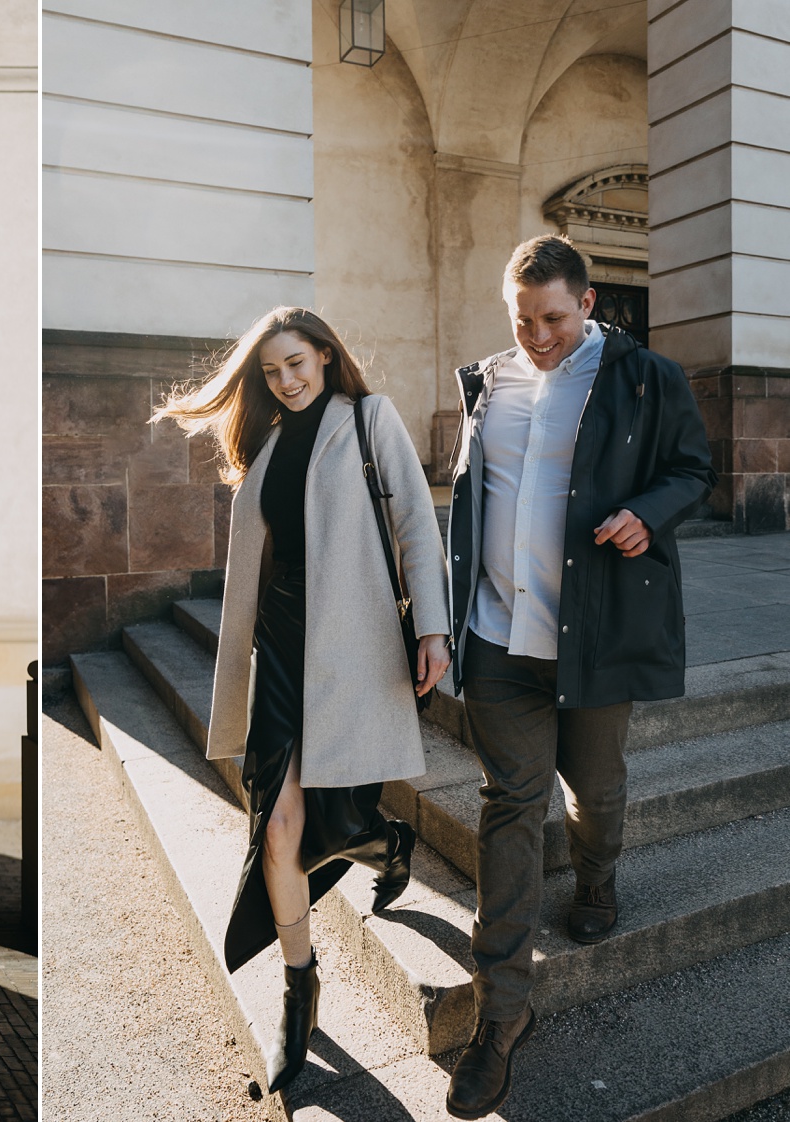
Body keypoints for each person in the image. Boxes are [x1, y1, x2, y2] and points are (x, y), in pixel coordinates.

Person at [443, 235, 716, 1120]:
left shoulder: (646, 378)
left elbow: (692, 471)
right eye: (522, 320)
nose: (538, 336)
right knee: (508, 804)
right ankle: (500, 1017)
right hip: (498, 637)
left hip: (593, 637)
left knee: (594, 786)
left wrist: (648, 513)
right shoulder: (489, 382)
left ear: (589, 303)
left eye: (554, 317)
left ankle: (596, 876)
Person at [155, 307, 450, 1092]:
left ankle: (387, 846)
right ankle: (299, 989)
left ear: (324, 354)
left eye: (296, 363)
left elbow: (416, 523)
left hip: (353, 652)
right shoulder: (268, 446)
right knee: (279, 827)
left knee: (344, 821)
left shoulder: (368, 419)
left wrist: (434, 628)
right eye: (272, 371)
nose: (285, 380)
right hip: (281, 653)